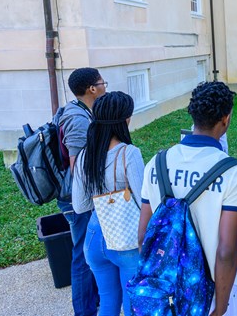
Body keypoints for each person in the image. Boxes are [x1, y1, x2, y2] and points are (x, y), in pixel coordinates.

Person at [138, 81, 237, 316]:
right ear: (226, 119)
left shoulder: (156, 163)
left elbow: (143, 235)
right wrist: (220, 306)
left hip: (164, 289)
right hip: (209, 290)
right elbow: (226, 251)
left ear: (193, 115)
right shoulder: (232, 171)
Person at [72, 92, 144, 316]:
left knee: (108, 301)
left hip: (94, 237)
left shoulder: (85, 155)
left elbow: (80, 206)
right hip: (126, 240)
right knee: (133, 304)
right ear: (125, 119)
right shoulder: (128, 153)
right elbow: (144, 202)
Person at [59, 67, 104, 316]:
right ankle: (84, 311)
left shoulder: (83, 111)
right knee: (83, 256)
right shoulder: (77, 119)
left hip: (80, 196)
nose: (104, 86)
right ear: (92, 89)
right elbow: (78, 168)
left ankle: (92, 302)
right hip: (76, 198)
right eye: (102, 82)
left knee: (88, 252)